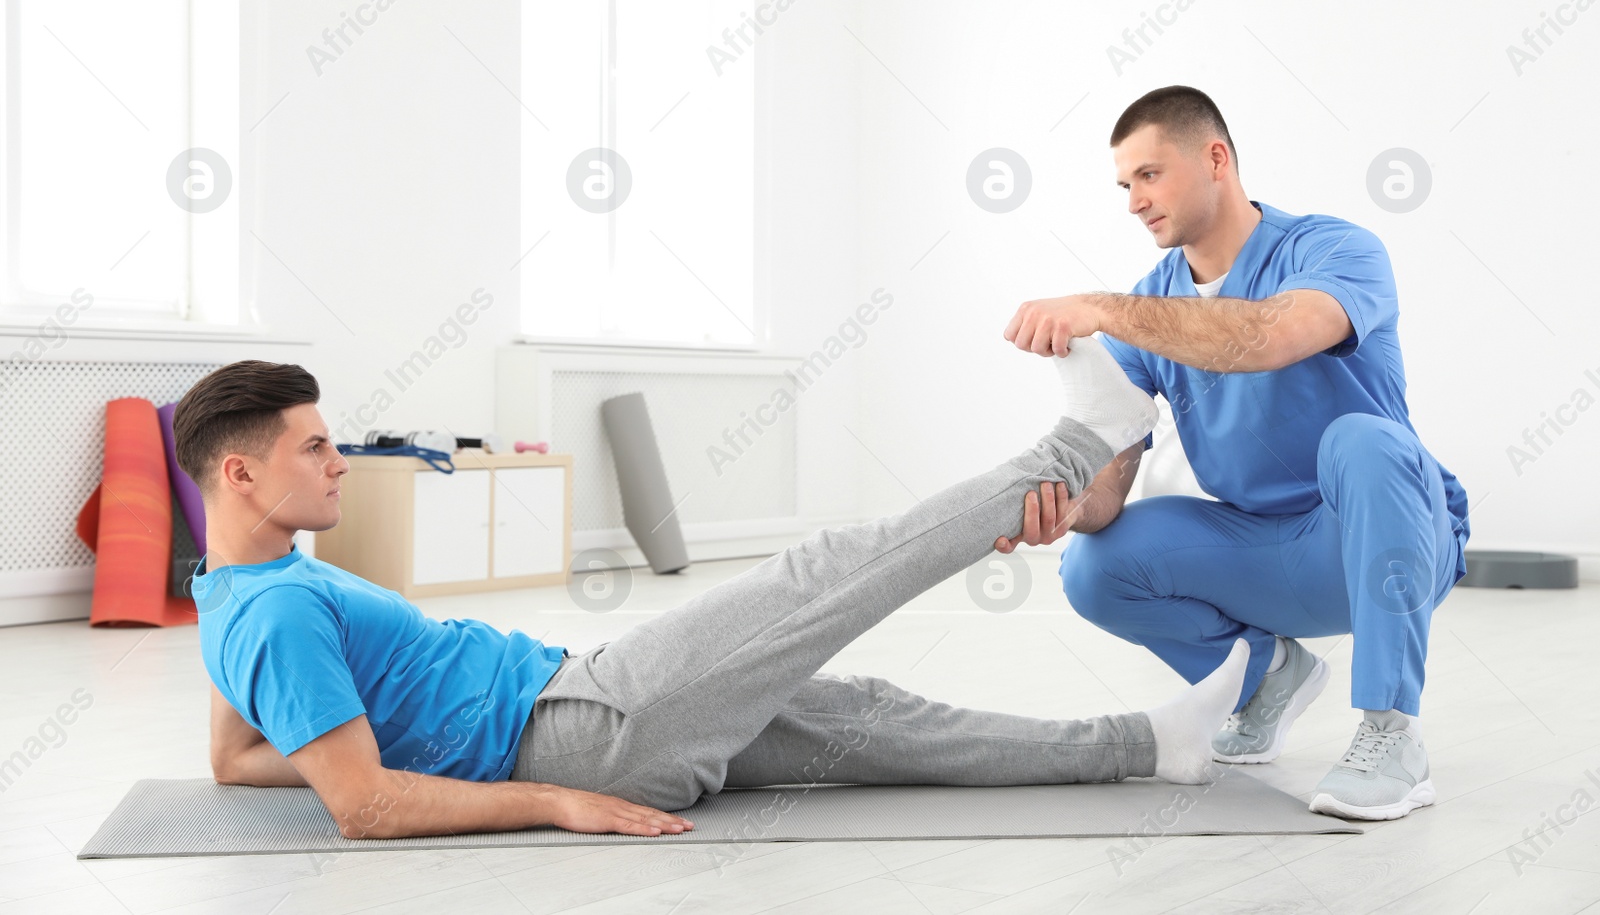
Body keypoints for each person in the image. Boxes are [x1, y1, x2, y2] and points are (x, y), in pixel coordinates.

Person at [177, 354, 1249, 841]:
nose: (339, 462)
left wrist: (385, 746)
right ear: (238, 472)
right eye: (315, 447)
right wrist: (551, 796)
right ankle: (1079, 441)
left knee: (874, 720)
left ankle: (1148, 744)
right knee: (828, 571)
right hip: (585, 727)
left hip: (576, 707)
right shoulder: (274, 610)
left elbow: (234, 757)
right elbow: (358, 803)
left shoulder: (237, 589)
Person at [996, 85, 1469, 821]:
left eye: (1149, 175)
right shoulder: (1146, 309)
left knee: (1364, 440)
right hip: (1269, 551)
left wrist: (1101, 307)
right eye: (1124, 185)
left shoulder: (1334, 248)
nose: (1133, 202)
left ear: (1215, 158)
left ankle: (1392, 734)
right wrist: (1061, 509)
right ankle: (1269, 679)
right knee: (1093, 565)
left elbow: (1271, 335)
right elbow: (1112, 481)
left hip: (1389, 537)